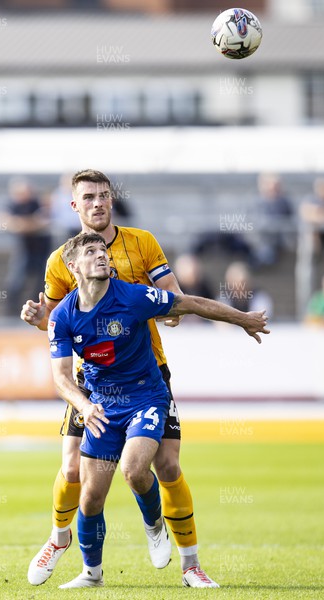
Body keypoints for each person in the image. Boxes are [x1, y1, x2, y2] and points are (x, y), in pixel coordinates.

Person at [21, 169, 217, 588]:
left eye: (104, 195)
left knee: (165, 465)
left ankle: (191, 564)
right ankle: (59, 540)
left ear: (112, 200)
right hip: (91, 382)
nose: (97, 202)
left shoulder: (142, 242)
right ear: (74, 205)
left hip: (148, 374)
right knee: (73, 469)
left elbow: (173, 300)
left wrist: (167, 309)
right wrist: (41, 320)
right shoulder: (61, 260)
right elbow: (58, 323)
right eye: (88, 196)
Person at [47, 232, 269, 588]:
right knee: (89, 496)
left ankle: (154, 526)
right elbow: (60, 378)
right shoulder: (63, 316)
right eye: (91, 252)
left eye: (104, 250)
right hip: (101, 405)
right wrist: (85, 405)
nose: (102, 255)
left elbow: (191, 303)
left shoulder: (134, 297)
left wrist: (241, 318)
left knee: (136, 470)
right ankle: (92, 573)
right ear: (72, 267)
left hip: (145, 397)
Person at [3, 178, 52, 316]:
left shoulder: (36, 203)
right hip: (23, 248)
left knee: (42, 280)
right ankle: (11, 311)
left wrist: (22, 224)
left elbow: (42, 221)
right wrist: (28, 224)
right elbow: (4, 221)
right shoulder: (13, 205)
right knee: (16, 279)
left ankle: (37, 310)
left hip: (41, 248)